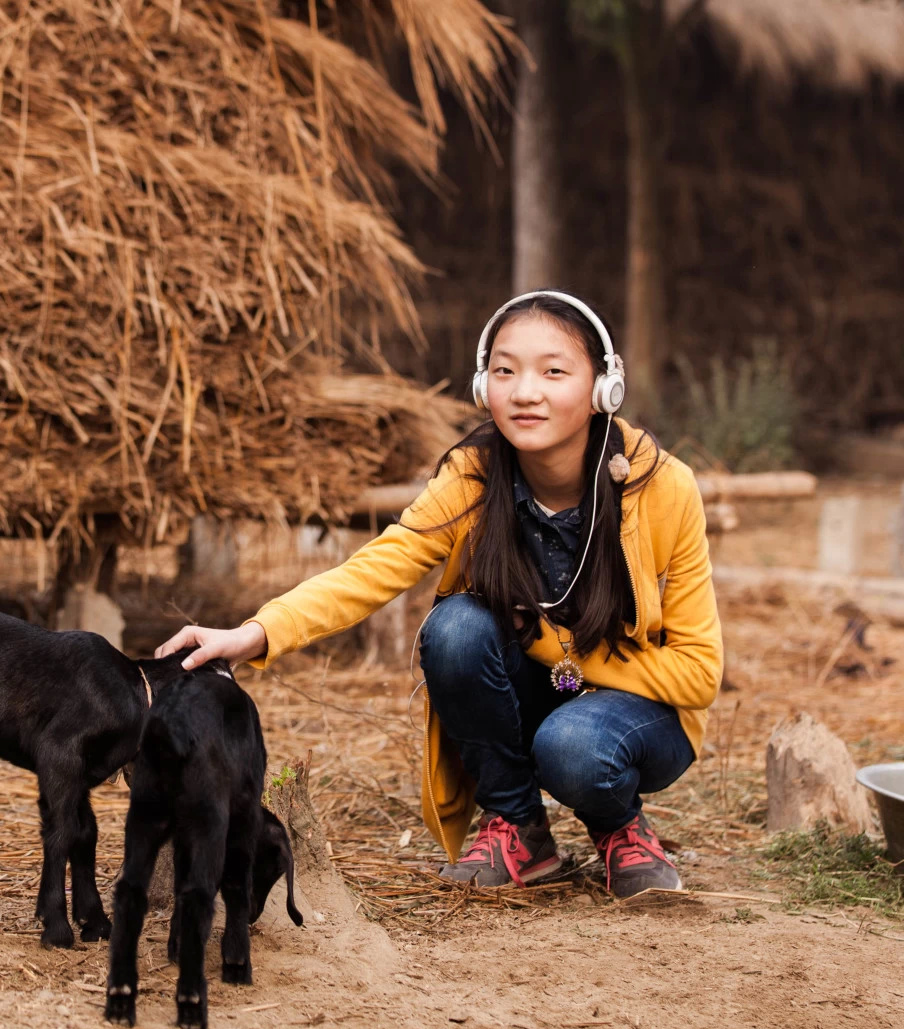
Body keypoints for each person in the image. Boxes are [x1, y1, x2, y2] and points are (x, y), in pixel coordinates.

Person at [156, 291, 723, 897]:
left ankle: (619, 827)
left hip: (640, 712)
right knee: (454, 628)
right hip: (535, 700)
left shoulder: (661, 487)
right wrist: (258, 632)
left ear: (602, 389)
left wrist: (553, 651)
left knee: (575, 744)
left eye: (553, 372)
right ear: (484, 387)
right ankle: (519, 826)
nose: (525, 392)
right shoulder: (474, 477)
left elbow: (697, 674)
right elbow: (376, 567)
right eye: (505, 371)